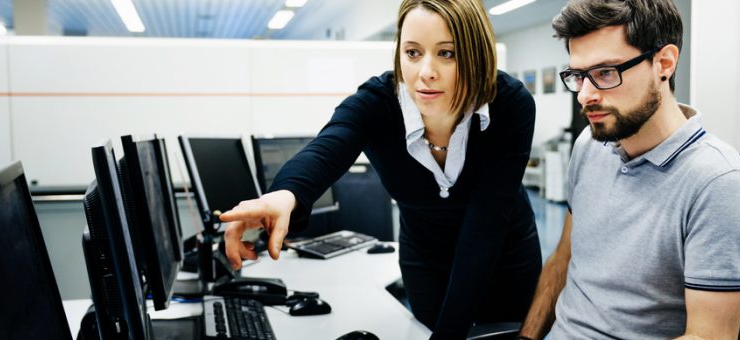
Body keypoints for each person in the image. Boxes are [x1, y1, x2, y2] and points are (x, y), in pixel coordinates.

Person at [218, 0, 541, 338]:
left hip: (501, 255)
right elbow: (329, 145)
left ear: (476, 54)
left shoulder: (510, 105)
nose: (425, 72)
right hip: (425, 258)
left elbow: (486, 224)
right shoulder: (377, 102)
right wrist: (285, 195)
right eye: (413, 53)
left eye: (447, 53)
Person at [517, 0, 740, 339]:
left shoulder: (717, 183)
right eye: (578, 76)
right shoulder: (589, 145)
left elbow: (709, 336)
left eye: (605, 73)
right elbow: (563, 258)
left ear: (664, 63)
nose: (584, 96)